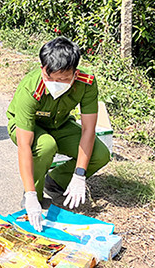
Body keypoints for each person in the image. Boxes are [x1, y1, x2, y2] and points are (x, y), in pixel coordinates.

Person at [6, 37, 110, 232]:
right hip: (29, 127)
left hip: (60, 124)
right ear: (43, 68)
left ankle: (55, 182)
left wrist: (79, 174)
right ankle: (35, 196)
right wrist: (29, 194)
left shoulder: (86, 83)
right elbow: (24, 145)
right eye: (50, 77)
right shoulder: (30, 88)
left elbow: (88, 129)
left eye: (63, 79)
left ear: (74, 73)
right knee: (45, 145)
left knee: (100, 154)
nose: (55, 83)